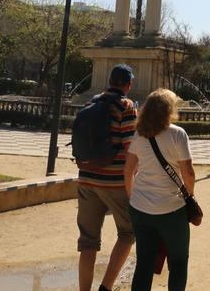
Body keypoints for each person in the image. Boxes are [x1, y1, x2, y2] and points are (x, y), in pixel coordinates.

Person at [124, 89, 195, 291]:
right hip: (171, 209)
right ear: (169, 110)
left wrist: (132, 198)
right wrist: (189, 196)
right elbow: (188, 173)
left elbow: (128, 170)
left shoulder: (139, 135)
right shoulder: (177, 134)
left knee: (144, 261)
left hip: (140, 208)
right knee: (179, 260)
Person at [76, 63, 137, 291]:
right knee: (128, 232)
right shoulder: (127, 107)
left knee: (88, 242)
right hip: (114, 182)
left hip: (86, 179)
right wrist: (132, 184)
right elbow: (131, 150)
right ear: (129, 85)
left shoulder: (90, 103)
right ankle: (106, 287)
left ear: (109, 81)